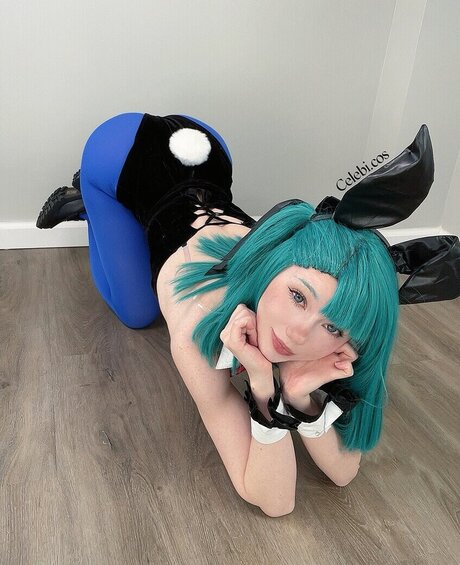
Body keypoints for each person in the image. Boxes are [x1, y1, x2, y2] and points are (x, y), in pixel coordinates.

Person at [37, 113, 456, 517]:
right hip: (121, 153)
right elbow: (276, 502)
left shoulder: (328, 319)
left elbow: (344, 473)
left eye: (331, 325)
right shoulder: (197, 327)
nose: (298, 334)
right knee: (136, 313)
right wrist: (265, 395)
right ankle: (90, 202)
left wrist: (294, 395)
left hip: (211, 157)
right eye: (297, 296)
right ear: (275, 267)